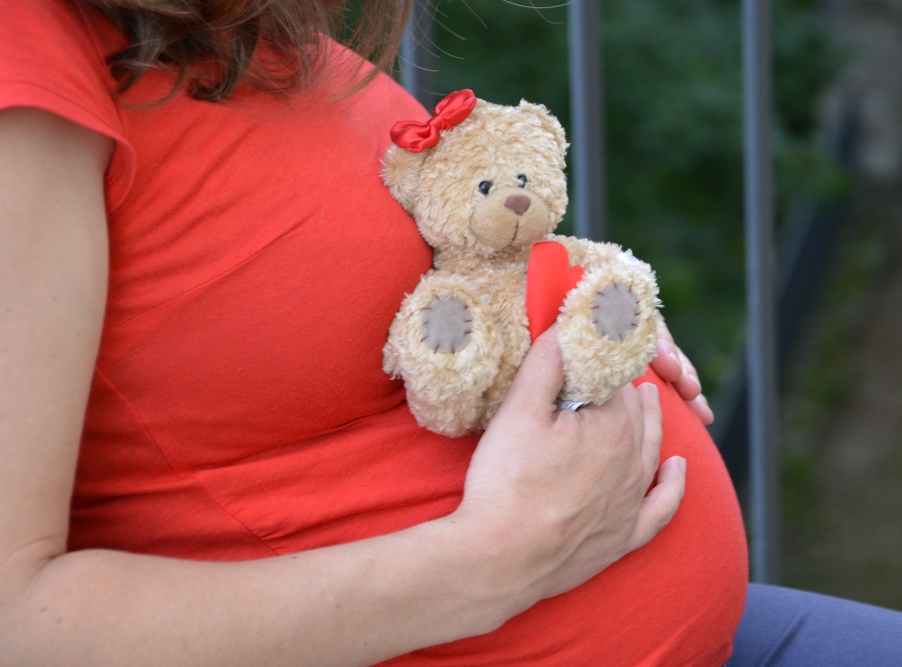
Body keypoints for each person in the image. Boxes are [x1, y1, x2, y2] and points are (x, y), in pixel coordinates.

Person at [0, 1, 896, 666]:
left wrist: (563, 317)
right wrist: (490, 562)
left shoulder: (212, 26)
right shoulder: (26, 62)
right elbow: (17, 619)